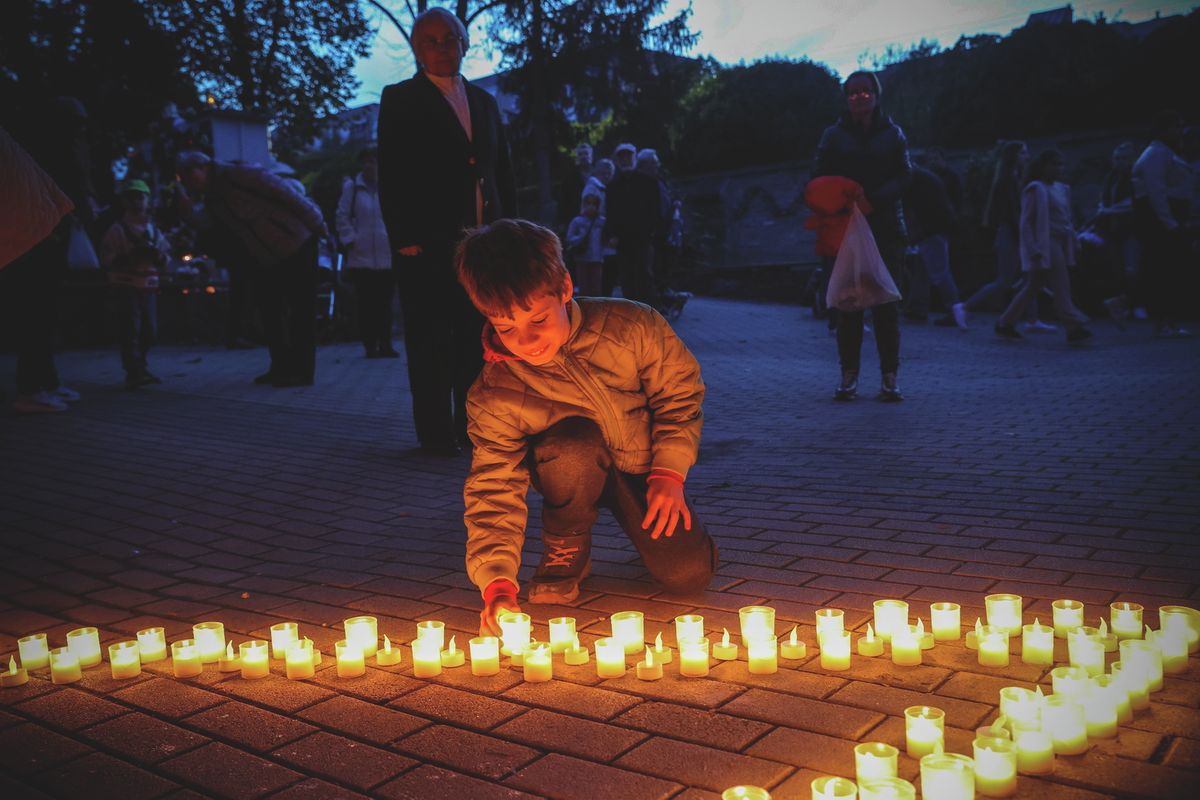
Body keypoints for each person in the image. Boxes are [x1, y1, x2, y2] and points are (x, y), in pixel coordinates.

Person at [454, 219, 718, 634]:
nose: (525, 340)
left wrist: (670, 473)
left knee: (688, 576)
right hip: (569, 470)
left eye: (538, 319)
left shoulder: (632, 326)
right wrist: (497, 582)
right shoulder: (494, 392)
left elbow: (679, 396)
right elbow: (494, 484)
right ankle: (567, 544)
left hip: (645, 471)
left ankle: (665, 537)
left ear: (564, 288)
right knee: (573, 445)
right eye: (506, 328)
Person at [377, 6, 516, 456]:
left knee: (477, 341)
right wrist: (403, 235)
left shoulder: (485, 102)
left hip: (484, 245)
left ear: (465, 43)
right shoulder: (400, 99)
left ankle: (471, 428)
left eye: (450, 38)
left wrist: (510, 230)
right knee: (432, 340)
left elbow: (502, 172)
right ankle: (436, 435)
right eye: (431, 41)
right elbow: (393, 170)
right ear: (418, 50)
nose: (443, 47)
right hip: (427, 244)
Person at [176, 150, 329, 386]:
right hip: (267, 255)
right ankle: (281, 366)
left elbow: (284, 192)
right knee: (271, 312)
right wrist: (187, 213)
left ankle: (302, 370)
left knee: (301, 309)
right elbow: (207, 224)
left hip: (297, 242)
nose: (189, 185)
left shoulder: (239, 174)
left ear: (202, 168)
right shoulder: (213, 198)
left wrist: (318, 224)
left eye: (189, 178)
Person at [813, 70, 910, 401]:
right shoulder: (833, 136)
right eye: (853, 93)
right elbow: (818, 175)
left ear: (876, 95)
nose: (860, 97)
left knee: (886, 304)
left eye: (865, 91)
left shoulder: (893, 134)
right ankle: (848, 375)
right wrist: (844, 197)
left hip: (884, 228)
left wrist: (875, 198)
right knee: (849, 304)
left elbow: (905, 175)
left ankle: (889, 376)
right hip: (845, 228)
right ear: (846, 98)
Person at [2, 98, 96, 413]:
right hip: (39, 235)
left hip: (39, 232)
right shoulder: (60, 151)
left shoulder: (28, 146)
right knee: (38, 313)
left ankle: (46, 381)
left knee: (41, 313)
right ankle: (32, 388)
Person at [994, 150, 1092, 343]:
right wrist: (1033, 248)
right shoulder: (1035, 189)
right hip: (1046, 243)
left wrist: (1074, 240)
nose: (1059, 168)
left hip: (1059, 241)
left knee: (1033, 285)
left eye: (1061, 164)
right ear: (1042, 166)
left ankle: (1005, 322)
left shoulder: (1062, 189)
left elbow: (1066, 219)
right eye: (1054, 164)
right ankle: (1073, 327)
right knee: (1061, 284)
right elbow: (1026, 223)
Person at [965, 141, 1051, 331]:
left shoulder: (1016, 178)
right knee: (1005, 280)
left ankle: (1032, 319)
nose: (1027, 157)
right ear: (1014, 156)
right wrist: (1024, 236)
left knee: (1030, 277)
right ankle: (964, 306)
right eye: (1023, 153)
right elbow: (1011, 214)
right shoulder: (1007, 180)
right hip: (1010, 233)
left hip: (1014, 232)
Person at [98, 179, 171, 389]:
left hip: (148, 285)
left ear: (148, 199)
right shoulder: (117, 229)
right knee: (131, 330)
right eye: (131, 196)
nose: (136, 201)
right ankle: (134, 371)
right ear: (123, 201)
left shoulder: (154, 230)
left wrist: (158, 256)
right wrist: (128, 257)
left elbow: (166, 257)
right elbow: (106, 258)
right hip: (125, 284)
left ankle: (140, 367)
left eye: (140, 196)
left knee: (149, 330)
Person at [1132, 110, 1193, 339]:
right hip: (1162, 221)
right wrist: (1170, 222)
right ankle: (1164, 321)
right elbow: (1156, 192)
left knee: (1169, 270)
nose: (1180, 131)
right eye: (1176, 126)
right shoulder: (1156, 154)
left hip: (1169, 218)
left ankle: (1169, 320)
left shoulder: (1165, 153)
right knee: (1165, 270)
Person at [336, 146, 397, 358]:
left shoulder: (389, 187)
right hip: (361, 257)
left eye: (372, 161)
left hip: (386, 255)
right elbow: (342, 216)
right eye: (366, 161)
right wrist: (352, 239)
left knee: (385, 304)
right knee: (366, 304)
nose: (368, 165)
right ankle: (370, 345)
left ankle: (386, 344)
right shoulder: (352, 188)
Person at [904, 159, 967, 329]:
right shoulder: (925, 176)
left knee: (939, 273)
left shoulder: (911, 178)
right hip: (937, 228)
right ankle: (918, 308)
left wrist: (914, 233)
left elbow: (910, 207)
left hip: (931, 230)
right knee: (925, 269)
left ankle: (955, 310)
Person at [605, 148, 668, 305]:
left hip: (643, 238)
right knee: (627, 278)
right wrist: (612, 234)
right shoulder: (613, 186)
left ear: (634, 158)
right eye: (622, 157)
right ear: (618, 161)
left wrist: (652, 231)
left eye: (628, 156)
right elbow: (610, 213)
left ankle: (650, 313)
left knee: (644, 275)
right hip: (623, 240)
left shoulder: (648, 182)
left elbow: (656, 210)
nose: (625, 160)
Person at [1096, 142, 1141, 322]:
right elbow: (1102, 200)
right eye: (1116, 158)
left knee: (1132, 269)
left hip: (1130, 230)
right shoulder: (1110, 177)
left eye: (1123, 158)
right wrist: (1103, 210)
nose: (1119, 162)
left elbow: (1132, 203)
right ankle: (1122, 307)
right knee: (1117, 270)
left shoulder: (1135, 177)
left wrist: (1107, 210)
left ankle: (1137, 304)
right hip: (1111, 230)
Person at [582, 158, 618, 296]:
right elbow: (589, 211)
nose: (607, 175)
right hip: (597, 238)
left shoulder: (600, 188)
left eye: (610, 172)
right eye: (604, 172)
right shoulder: (593, 188)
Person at [564, 193, 604, 296]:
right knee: (584, 286)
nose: (591, 206)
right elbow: (569, 238)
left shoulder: (601, 221)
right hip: (582, 257)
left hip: (597, 258)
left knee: (596, 287)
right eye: (588, 203)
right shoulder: (577, 221)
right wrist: (581, 237)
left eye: (594, 204)